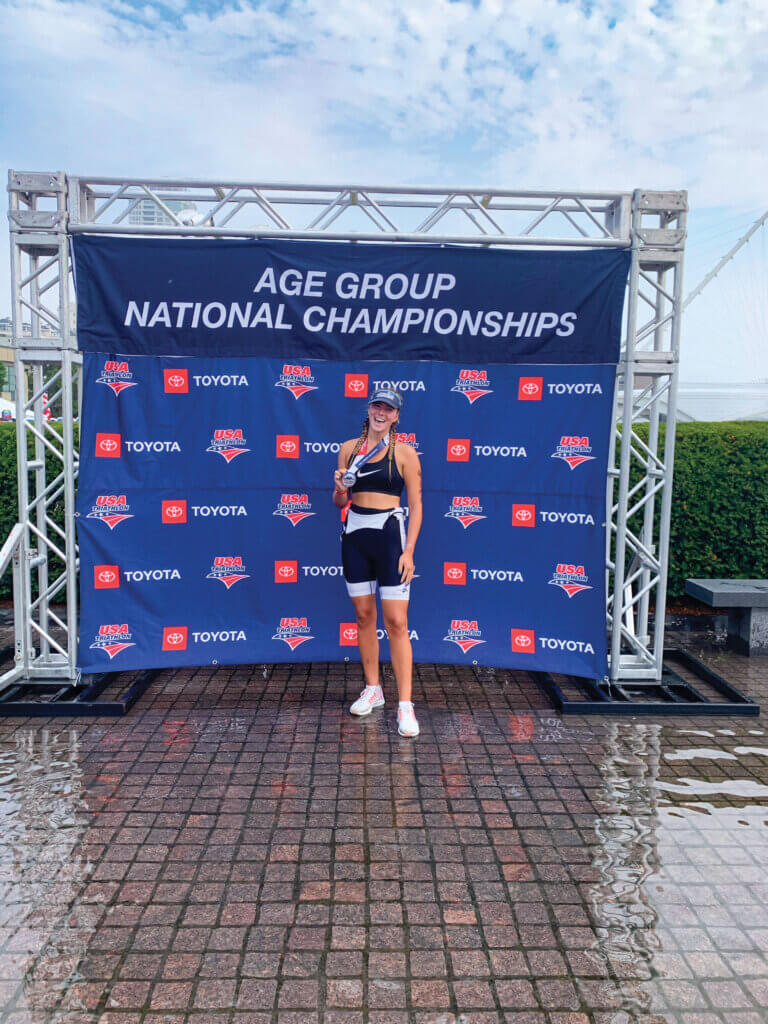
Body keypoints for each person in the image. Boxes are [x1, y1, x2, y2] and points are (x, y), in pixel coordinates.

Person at [333, 387, 423, 737]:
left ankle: (405, 705)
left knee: (397, 622)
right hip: (355, 535)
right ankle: (373, 688)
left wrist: (409, 550)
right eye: (377, 406)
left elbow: (415, 506)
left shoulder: (405, 453)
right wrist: (339, 487)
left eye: (389, 409)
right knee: (364, 616)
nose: (381, 413)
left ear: (397, 416)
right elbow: (339, 500)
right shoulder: (347, 450)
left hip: (389, 536)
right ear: (368, 409)